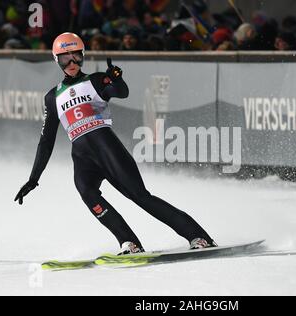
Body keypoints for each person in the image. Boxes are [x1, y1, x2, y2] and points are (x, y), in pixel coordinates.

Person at [14, 32, 217, 255]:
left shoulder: (96, 80)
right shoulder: (52, 97)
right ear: (57, 60)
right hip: (82, 157)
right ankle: (129, 243)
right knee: (88, 195)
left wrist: (116, 78)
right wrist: (34, 179)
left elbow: (122, 92)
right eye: (65, 58)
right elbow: (46, 141)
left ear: (83, 56)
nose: (72, 63)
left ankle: (198, 236)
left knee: (140, 197)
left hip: (107, 148)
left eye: (77, 57)